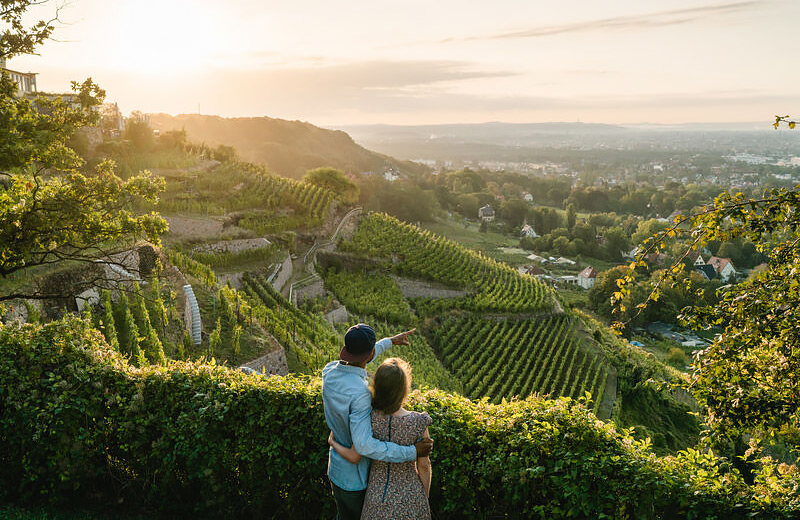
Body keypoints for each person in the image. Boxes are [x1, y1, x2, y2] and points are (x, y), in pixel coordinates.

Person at [322, 324, 433, 520]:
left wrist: (390, 342)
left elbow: (361, 358)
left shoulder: (329, 371)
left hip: (336, 469)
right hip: (355, 479)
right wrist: (412, 452)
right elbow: (364, 445)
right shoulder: (361, 395)